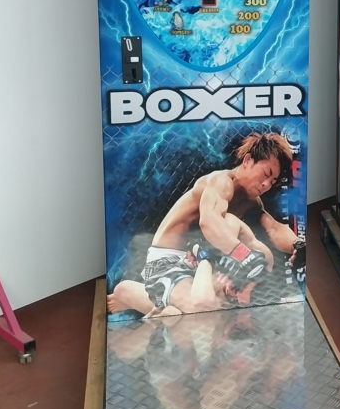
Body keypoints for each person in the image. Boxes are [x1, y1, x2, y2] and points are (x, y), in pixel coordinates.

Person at [113, 132, 300, 315]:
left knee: (261, 257)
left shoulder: (251, 202)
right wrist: (244, 256)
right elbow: (209, 222)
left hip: (200, 261)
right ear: (248, 160)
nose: (266, 184)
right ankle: (131, 292)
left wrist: (298, 245)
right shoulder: (220, 182)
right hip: (169, 261)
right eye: (266, 174)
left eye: (272, 181)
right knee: (203, 310)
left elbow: (272, 227)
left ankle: (154, 303)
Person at [108, 216, 259, 317]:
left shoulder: (243, 261)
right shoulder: (222, 245)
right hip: (179, 287)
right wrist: (203, 259)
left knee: (183, 312)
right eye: (237, 288)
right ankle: (159, 314)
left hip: (189, 309)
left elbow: (203, 302)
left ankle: (157, 315)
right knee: (122, 289)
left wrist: (204, 259)